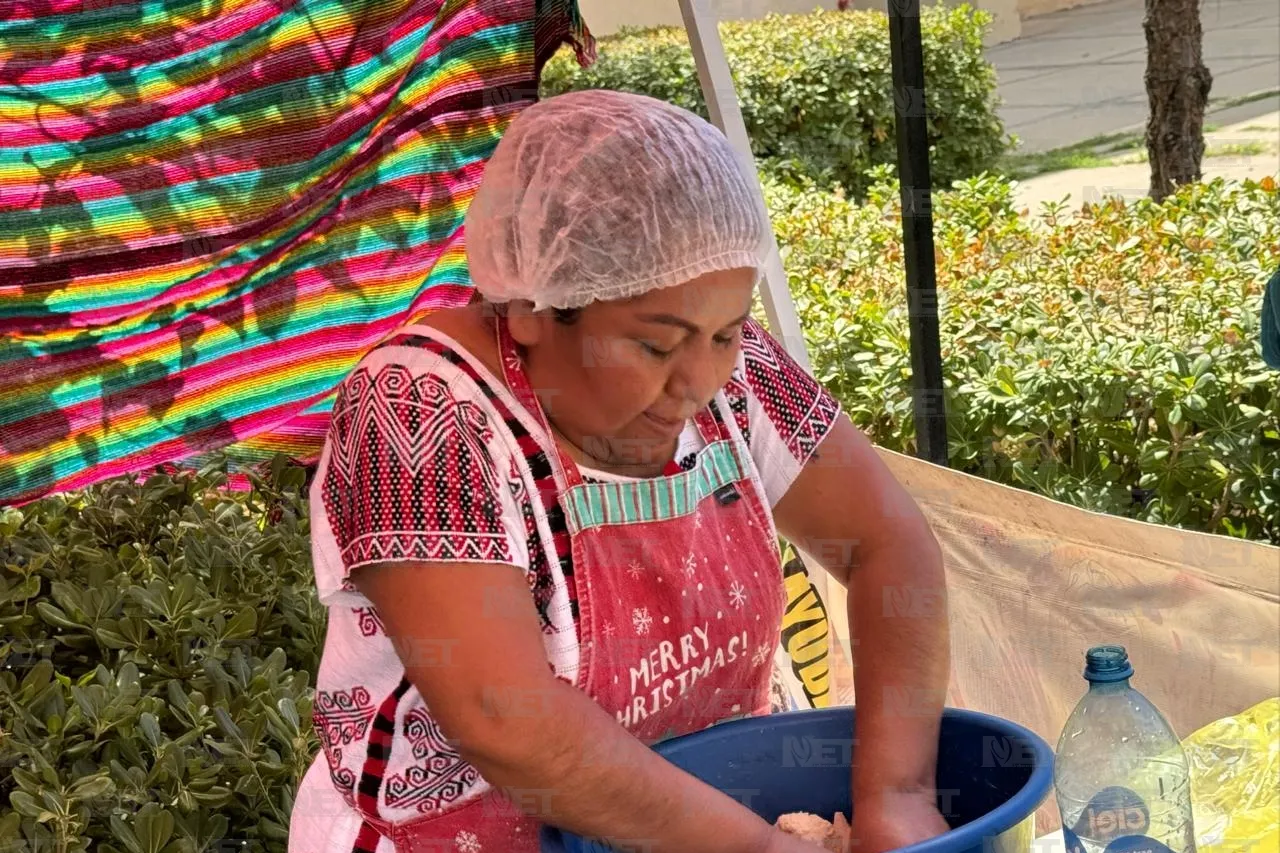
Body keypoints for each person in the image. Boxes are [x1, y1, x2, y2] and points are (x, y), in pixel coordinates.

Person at [290, 89, 951, 853]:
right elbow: (505, 718)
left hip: (706, 828)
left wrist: (896, 794)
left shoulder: (736, 375)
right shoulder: (418, 409)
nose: (698, 381)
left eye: (726, 333)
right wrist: (764, 849)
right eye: (656, 344)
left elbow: (885, 545)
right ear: (532, 305)